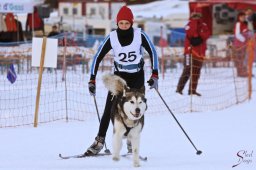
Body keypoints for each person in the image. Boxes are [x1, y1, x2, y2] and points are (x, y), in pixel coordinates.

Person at [85, 6, 159, 156]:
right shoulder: (112, 37)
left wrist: (155, 75)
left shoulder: (140, 35)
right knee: (109, 109)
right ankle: (99, 141)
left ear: (131, 23)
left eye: (127, 23)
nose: (124, 25)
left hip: (137, 76)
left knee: (136, 108)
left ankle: (132, 140)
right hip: (119, 78)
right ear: (117, 23)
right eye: (121, 23)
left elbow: (153, 52)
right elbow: (97, 57)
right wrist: (92, 79)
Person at [176, 9, 210, 96]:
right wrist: (195, 22)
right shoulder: (189, 24)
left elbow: (206, 34)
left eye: (198, 16)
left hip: (200, 53)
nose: (196, 17)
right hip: (190, 52)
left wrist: (200, 37)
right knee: (187, 70)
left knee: (196, 72)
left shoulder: (203, 25)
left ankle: (192, 90)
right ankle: (179, 90)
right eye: (194, 16)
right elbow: (190, 32)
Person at [233, 12, 250, 77]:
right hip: (239, 45)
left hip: (243, 45)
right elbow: (237, 34)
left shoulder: (244, 24)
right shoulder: (238, 23)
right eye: (242, 17)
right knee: (239, 59)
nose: (243, 18)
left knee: (243, 59)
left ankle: (243, 71)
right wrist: (244, 40)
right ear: (239, 17)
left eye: (244, 17)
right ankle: (240, 72)